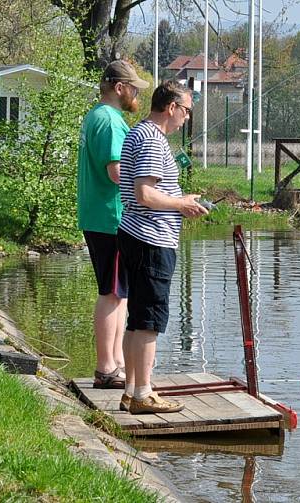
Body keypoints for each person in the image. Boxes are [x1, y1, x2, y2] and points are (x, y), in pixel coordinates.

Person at [117, 80, 208, 414]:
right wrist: (181, 203)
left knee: (136, 319)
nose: (186, 118)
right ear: (171, 107)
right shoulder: (154, 142)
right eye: (186, 111)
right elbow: (145, 194)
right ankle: (143, 394)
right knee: (149, 320)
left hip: (134, 234)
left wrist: (180, 201)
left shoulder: (138, 132)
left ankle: (130, 391)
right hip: (150, 239)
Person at [77, 60, 149, 389]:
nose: (136, 94)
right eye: (133, 88)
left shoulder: (99, 116)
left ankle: (117, 362)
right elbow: (116, 172)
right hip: (111, 218)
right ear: (119, 88)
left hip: (103, 215)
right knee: (110, 293)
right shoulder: (108, 121)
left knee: (120, 293)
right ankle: (106, 368)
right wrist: (148, 193)